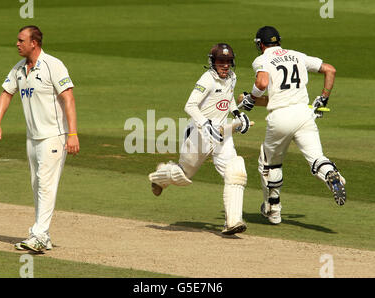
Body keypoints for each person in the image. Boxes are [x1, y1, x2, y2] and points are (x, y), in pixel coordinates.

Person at [238, 26, 346, 225]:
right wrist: (323, 98)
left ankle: (273, 210)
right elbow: (330, 70)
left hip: (280, 117)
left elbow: (262, 84)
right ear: (278, 41)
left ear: (260, 44)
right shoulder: (297, 55)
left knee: (269, 163)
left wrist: (251, 99)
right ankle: (331, 174)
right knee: (316, 158)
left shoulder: (262, 59)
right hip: (305, 114)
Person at [0, 25, 79, 252]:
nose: (17, 44)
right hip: (33, 137)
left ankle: (38, 235)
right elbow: (6, 93)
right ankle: (43, 235)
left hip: (54, 136)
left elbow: (68, 98)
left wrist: (72, 134)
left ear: (34, 43)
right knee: (37, 184)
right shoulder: (19, 69)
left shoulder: (53, 65)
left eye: (21, 40)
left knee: (46, 186)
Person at [148, 43, 251, 235]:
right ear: (213, 62)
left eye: (228, 62)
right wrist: (206, 124)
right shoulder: (207, 80)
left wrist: (237, 114)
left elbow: (227, 99)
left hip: (222, 135)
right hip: (199, 134)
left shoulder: (232, 77)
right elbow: (190, 106)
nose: (225, 66)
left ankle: (233, 221)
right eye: (221, 61)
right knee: (182, 176)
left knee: (236, 171)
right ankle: (160, 176)